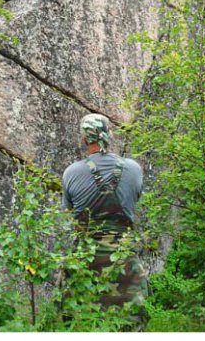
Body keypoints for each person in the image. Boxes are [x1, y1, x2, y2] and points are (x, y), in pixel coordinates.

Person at [61, 113, 147, 320]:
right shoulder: (134, 169)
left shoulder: (71, 173)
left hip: (85, 260)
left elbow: (70, 212)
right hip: (124, 259)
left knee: (75, 318)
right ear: (108, 135)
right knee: (129, 320)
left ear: (84, 139)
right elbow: (134, 200)